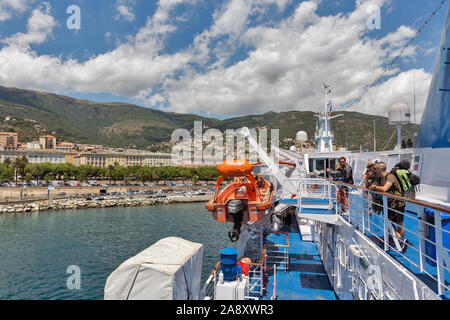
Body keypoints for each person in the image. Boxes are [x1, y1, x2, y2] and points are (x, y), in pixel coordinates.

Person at [369, 164, 409, 252]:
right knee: (388, 221)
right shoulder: (380, 178)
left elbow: (384, 189)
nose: (374, 171)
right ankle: (397, 241)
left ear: (379, 169)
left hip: (397, 203)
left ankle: (400, 241)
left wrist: (375, 187)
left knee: (399, 223)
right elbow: (371, 185)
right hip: (390, 203)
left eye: (375, 169)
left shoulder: (390, 176)